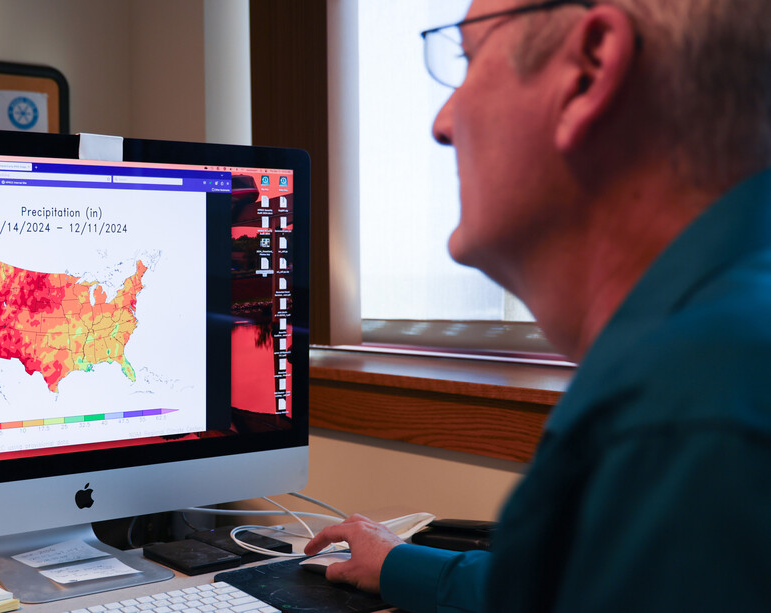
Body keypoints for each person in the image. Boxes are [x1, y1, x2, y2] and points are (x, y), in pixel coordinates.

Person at [305, 0, 771, 610]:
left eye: (469, 63)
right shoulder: (720, 345)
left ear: (587, 72)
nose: (442, 123)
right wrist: (402, 565)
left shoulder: (686, 410)